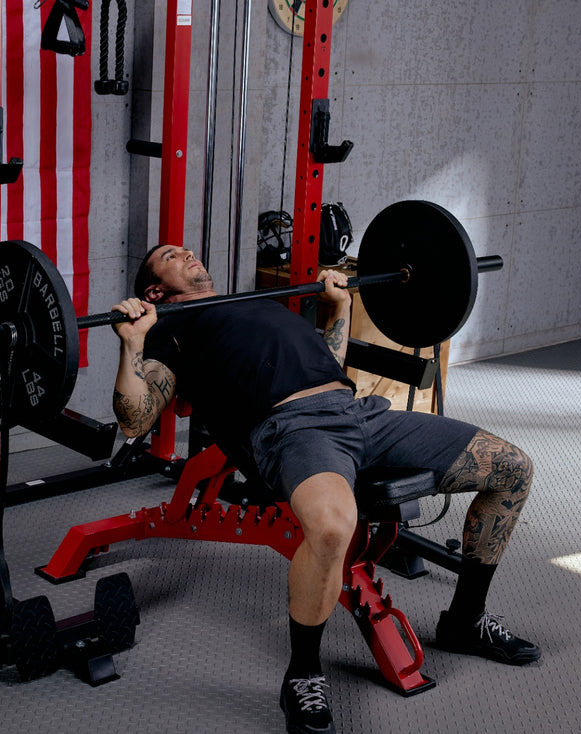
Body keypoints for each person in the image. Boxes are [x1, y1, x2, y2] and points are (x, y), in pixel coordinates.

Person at [110, 244, 540, 734]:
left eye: (185, 248)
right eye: (170, 254)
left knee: (512, 468)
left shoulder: (257, 303)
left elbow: (330, 363)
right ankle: (303, 674)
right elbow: (135, 418)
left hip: (359, 415)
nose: (186, 251)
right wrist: (132, 342)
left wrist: (340, 307)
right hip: (293, 432)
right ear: (154, 289)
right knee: (333, 530)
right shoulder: (171, 329)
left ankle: (465, 620)